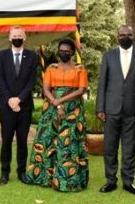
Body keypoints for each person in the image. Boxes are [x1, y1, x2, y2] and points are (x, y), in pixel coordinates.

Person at [25, 39, 89, 192]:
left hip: (73, 109)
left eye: (67, 51)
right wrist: (56, 103)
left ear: (73, 52)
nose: (64, 53)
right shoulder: (51, 68)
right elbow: (46, 88)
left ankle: (68, 181)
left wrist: (60, 100)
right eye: (61, 50)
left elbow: (81, 90)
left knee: (69, 143)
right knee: (47, 140)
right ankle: (45, 177)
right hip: (52, 108)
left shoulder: (80, 69)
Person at [96, 25, 135, 196]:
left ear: (133, 36)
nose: (125, 37)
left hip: (132, 111)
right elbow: (102, 84)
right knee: (110, 147)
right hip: (110, 110)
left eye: (128, 34)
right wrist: (100, 107)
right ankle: (110, 180)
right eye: (122, 34)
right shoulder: (108, 56)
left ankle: (128, 182)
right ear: (117, 36)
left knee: (129, 148)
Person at [0, 26, 39, 185]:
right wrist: (10, 100)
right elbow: (0, 80)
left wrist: (19, 100)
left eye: (20, 35)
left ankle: (22, 172)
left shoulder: (32, 57)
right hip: (6, 107)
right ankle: (4, 173)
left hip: (24, 107)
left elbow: (31, 82)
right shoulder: (2, 56)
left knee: (22, 141)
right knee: (6, 140)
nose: (17, 38)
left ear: (25, 38)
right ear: (9, 38)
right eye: (14, 35)